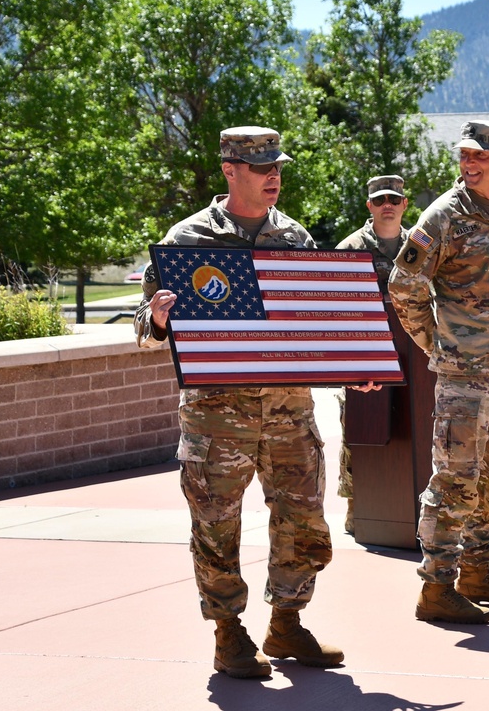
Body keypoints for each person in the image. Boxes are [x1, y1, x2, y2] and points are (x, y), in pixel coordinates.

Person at [134, 126, 343, 679]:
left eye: (278, 166)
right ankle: (228, 634)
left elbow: (317, 324)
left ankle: (286, 624)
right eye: (262, 167)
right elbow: (144, 322)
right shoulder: (186, 239)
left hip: (288, 414)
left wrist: (354, 366)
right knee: (216, 526)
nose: (274, 175)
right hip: (216, 418)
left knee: (303, 520)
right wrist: (156, 318)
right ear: (230, 169)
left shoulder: (294, 239)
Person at [388, 120, 489, 624]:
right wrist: (438, 344)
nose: (470, 163)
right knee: (454, 479)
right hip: (464, 375)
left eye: (481, 155)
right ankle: (436, 587)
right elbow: (404, 285)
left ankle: (477, 573)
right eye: (464, 155)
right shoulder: (443, 217)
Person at [334, 175, 409, 534]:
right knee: (358, 433)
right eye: (380, 200)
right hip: (363, 355)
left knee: (409, 428)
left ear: (405, 204)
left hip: (412, 355)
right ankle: (357, 505)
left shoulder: (419, 247)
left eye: (394, 198)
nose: (387, 205)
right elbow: (333, 304)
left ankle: (403, 501)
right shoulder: (350, 248)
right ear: (370, 206)